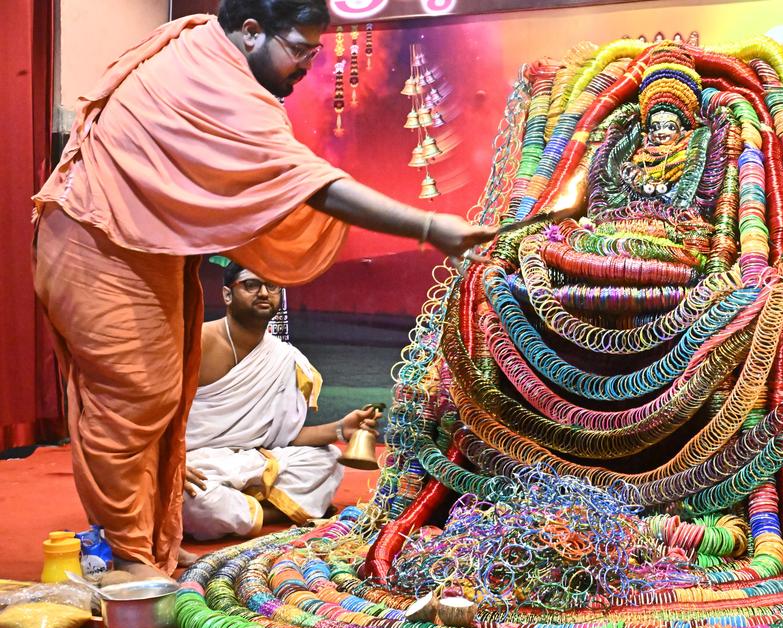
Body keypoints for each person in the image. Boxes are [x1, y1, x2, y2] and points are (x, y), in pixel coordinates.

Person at [30, 0, 496, 579]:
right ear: (251, 32)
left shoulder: (202, 49)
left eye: (314, 53)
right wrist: (427, 226)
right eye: (299, 50)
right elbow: (306, 184)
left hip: (145, 244)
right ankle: (129, 557)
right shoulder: (211, 77)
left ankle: (152, 543)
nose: (304, 66)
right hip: (96, 239)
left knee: (165, 402)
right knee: (134, 400)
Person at [182, 263, 372, 541]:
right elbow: (153, 414)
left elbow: (283, 438)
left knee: (328, 458)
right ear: (226, 295)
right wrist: (171, 464)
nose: (263, 293)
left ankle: (247, 509)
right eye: (251, 285)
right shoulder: (197, 342)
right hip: (196, 462)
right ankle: (272, 510)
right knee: (190, 498)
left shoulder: (284, 358)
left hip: (254, 458)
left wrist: (342, 428)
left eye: (272, 286)